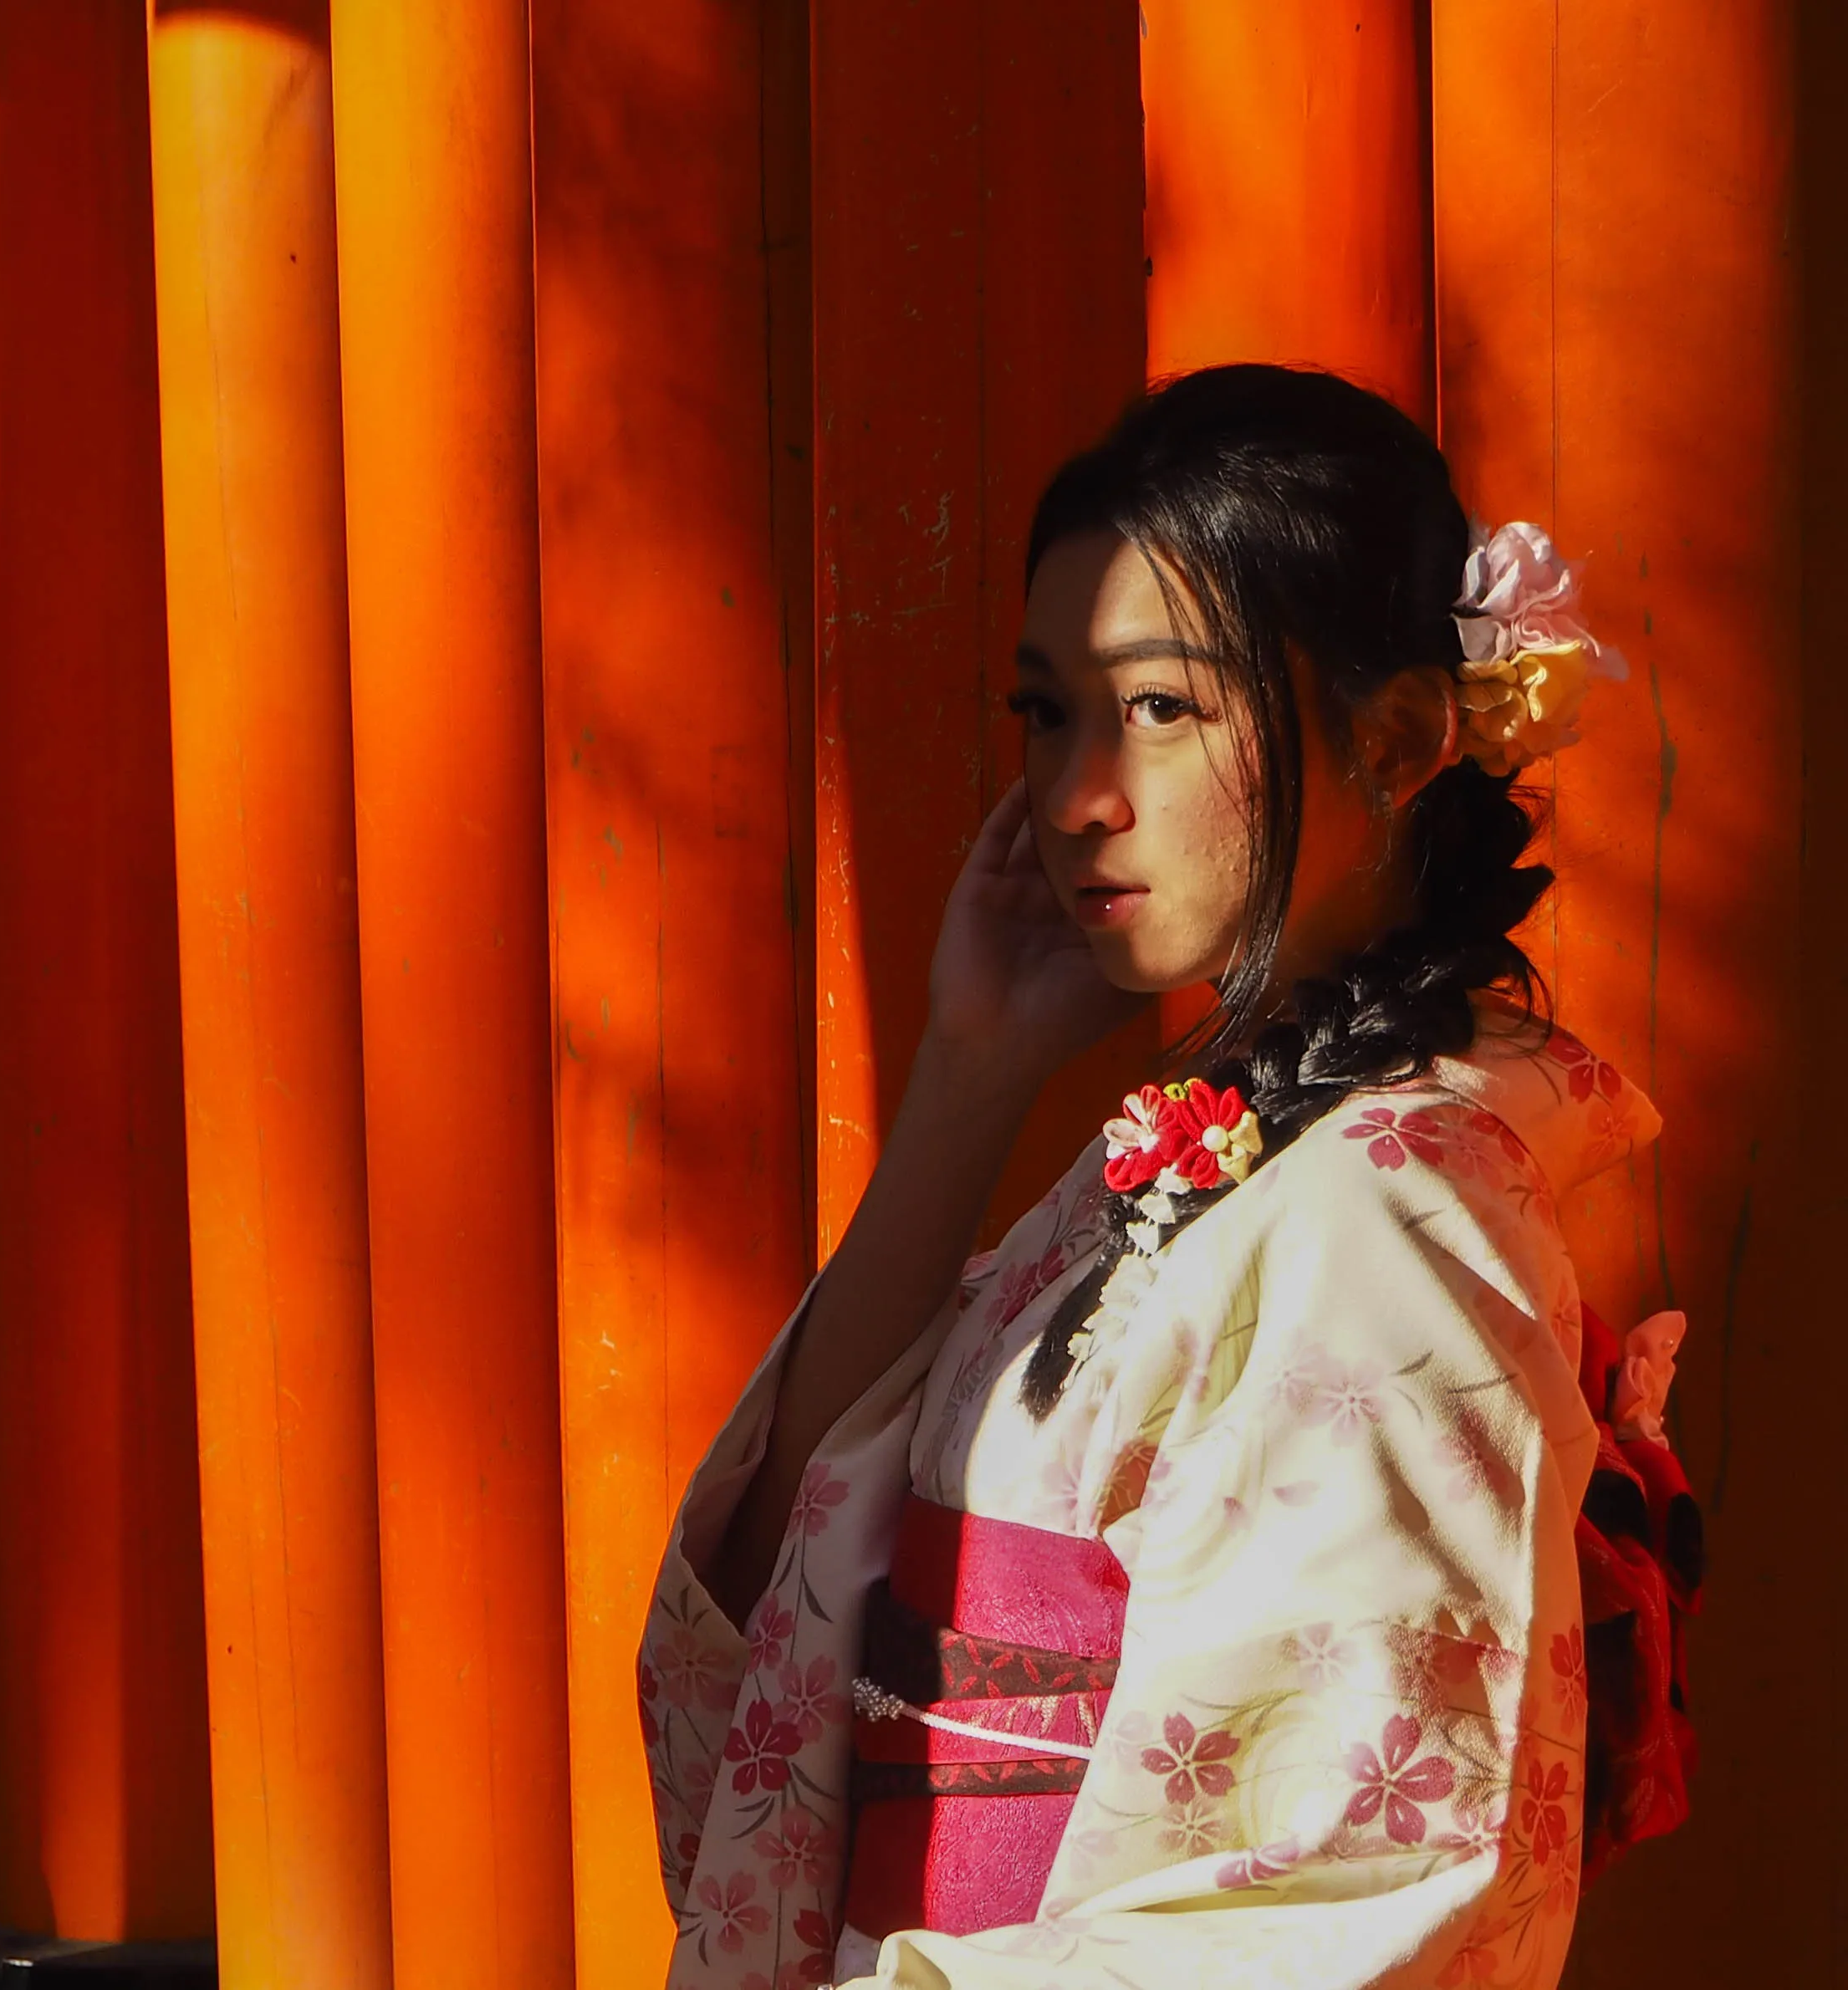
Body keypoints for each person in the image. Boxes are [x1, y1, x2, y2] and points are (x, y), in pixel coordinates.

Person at [639, 365, 1698, 1990]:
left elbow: (1346, 1879)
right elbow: (804, 1561)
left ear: (1400, 734)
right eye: (1046, 710)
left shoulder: (1383, 1211)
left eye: (1158, 706)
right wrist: (966, 1076)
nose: (1076, 796)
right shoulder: (1216, 1140)